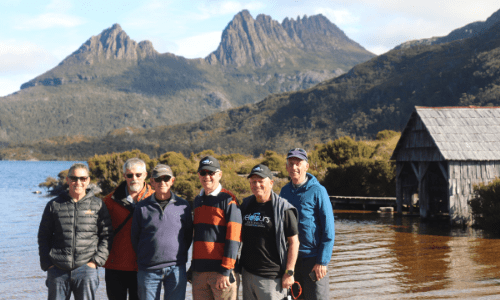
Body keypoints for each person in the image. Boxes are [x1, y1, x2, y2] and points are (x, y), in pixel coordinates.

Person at [38, 163, 113, 300]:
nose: (78, 182)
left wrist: (95, 262)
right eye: (74, 178)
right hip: (57, 269)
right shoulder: (54, 205)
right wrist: (47, 264)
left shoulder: (98, 205)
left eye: (82, 178)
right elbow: (43, 236)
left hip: (86, 269)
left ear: (88, 180)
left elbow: (107, 236)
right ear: (67, 180)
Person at [131, 164, 193, 300]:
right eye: (158, 179)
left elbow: (188, 236)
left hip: (176, 268)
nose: (162, 182)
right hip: (148, 270)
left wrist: (178, 254)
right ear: (152, 182)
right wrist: (147, 256)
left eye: (166, 178)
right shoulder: (141, 207)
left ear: (172, 180)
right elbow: (135, 237)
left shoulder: (183, 206)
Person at [279, 148, 335, 300]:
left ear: (306, 166)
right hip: (291, 260)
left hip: (313, 260)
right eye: (291, 164)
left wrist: (322, 261)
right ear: (286, 167)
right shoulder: (284, 192)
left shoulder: (319, 191)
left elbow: (329, 230)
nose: (294, 167)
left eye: (298, 163)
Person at [240, 164, 300, 300]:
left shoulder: (284, 209)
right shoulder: (246, 205)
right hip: (248, 274)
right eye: (253, 181)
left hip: (272, 278)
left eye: (261, 181)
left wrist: (289, 273)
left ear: (271, 183)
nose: (257, 185)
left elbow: (294, 243)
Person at [102, 158, 154, 300]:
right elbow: (98, 232)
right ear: (124, 176)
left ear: (145, 175)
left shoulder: (155, 199)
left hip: (144, 267)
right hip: (115, 266)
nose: (134, 179)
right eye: (129, 175)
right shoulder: (109, 201)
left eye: (138, 175)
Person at [191, 155, 242, 300]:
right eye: (203, 173)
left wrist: (226, 270)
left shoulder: (229, 200)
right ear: (199, 175)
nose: (207, 176)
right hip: (199, 273)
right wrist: (193, 268)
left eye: (211, 173)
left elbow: (234, 238)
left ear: (219, 174)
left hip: (221, 273)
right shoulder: (197, 200)